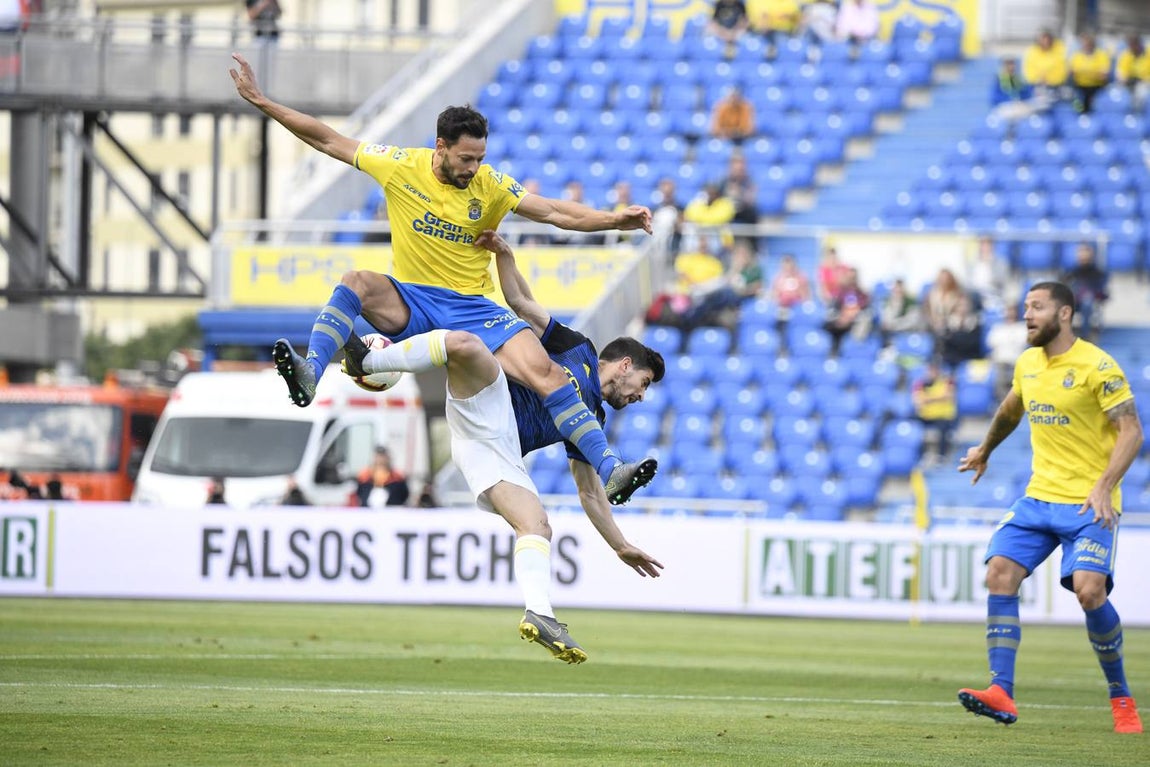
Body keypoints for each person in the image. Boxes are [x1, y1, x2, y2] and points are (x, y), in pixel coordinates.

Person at [228, 54, 657, 507]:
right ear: (441, 147)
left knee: (549, 374)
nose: (474, 168)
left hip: (475, 308)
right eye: (466, 158)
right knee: (356, 280)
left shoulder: (490, 184)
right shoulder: (399, 165)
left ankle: (611, 470)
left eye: (480, 158)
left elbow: (552, 211)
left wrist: (613, 220)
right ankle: (311, 372)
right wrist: (262, 101)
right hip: (413, 300)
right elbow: (328, 139)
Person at [343, 229, 665, 663]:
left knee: (537, 526)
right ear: (625, 366)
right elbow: (523, 305)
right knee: (466, 344)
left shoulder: (592, 421)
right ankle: (369, 360)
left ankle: (541, 613)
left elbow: (589, 493)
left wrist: (620, 544)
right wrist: (506, 256)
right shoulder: (577, 349)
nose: (640, 395)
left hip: (493, 448)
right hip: (487, 398)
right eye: (643, 384)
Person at [956, 281, 1143, 734]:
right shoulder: (1027, 363)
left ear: (1064, 314)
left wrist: (1104, 486)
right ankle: (1001, 691)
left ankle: (1121, 697)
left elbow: (1132, 431)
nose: (1027, 314)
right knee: (999, 570)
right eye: (1025, 307)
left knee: (1089, 591)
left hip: (1087, 504)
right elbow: (1009, 410)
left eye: (1037, 307)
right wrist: (985, 448)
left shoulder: (1098, 365)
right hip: (1040, 496)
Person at [911, 360, 957, 462]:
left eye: (935, 370)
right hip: (926, 415)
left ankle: (941, 455)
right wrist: (938, 397)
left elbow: (949, 395)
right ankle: (919, 455)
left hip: (942, 416)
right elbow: (917, 400)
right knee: (912, 424)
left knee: (943, 428)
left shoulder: (946, 381)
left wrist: (928, 398)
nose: (932, 373)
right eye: (930, 370)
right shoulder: (920, 383)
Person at [1061, 241, 1109, 339]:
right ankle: (1062, 335)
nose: (1083, 254)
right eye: (1080, 251)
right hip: (1072, 301)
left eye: (1085, 251)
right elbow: (1062, 286)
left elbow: (1102, 292)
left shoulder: (1097, 273)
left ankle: (1085, 335)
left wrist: (1089, 294)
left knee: (1087, 302)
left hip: (1088, 302)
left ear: (1091, 254)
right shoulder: (1070, 271)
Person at [1022, 29, 1068, 106]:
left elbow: (1063, 69)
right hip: (1037, 84)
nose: (1045, 42)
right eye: (1043, 40)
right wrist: (1037, 79)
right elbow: (1028, 70)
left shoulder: (1060, 50)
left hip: (1055, 85)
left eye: (1048, 40)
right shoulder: (1032, 52)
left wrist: (1051, 80)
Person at [1068, 32, 1111, 114]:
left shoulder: (1102, 55)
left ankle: (1091, 116)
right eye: (1085, 44)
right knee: (1075, 100)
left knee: (1093, 104)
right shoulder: (1077, 56)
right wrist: (1093, 72)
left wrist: (1084, 72)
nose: (1087, 46)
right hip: (1080, 85)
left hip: (1097, 87)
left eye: (1089, 44)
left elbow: (1104, 74)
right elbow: (1072, 72)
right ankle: (1079, 114)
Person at [990, 56, 1039, 122]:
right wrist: (1010, 101)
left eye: (1012, 64)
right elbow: (994, 98)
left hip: (1019, 106)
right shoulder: (998, 80)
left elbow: (1027, 94)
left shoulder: (1019, 79)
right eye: (1008, 64)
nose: (1010, 67)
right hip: (1005, 106)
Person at [1116, 34, 1150, 109]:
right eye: (1131, 46)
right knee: (1117, 92)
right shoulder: (1126, 54)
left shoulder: (1148, 53)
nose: (1133, 48)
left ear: (1139, 45)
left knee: (1141, 91)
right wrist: (1124, 79)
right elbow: (1121, 72)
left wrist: (1144, 80)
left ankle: (1137, 113)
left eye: (1135, 45)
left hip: (1145, 82)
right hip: (1130, 82)